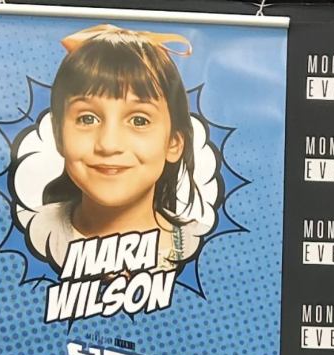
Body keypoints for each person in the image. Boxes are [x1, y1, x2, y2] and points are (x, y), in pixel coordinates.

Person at [26, 23, 204, 271]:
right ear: (58, 135)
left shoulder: (207, 248)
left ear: (174, 142)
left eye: (139, 120)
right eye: (87, 118)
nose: (109, 145)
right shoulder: (28, 236)